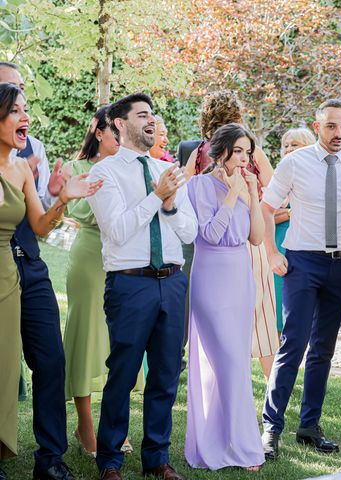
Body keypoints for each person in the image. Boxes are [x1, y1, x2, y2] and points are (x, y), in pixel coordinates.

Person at [87, 93, 197, 480]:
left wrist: (169, 205)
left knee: (166, 374)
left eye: (154, 115)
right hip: (130, 285)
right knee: (123, 372)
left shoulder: (166, 169)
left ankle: (157, 458)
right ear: (119, 123)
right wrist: (157, 196)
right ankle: (111, 461)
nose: (152, 120)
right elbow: (117, 230)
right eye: (143, 115)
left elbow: (189, 230)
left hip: (172, 282)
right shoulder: (103, 173)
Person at [0, 82, 102, 480]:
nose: (26, 118)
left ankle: (50, 458)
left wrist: (62, 198)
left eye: (27, 110)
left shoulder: (23, 166)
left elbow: (42, 226)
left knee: (51, 360)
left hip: (30, 269)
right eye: (16, 111)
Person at [261, 99, 341, 459]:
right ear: (318, 127)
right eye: (331, 126)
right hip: (302, 263)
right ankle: (271, 428)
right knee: (293, 344)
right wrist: (273, 252)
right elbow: (266, 208)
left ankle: (308, 425)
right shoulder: (294, 162)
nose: (338, 133)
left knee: (323, 350)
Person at [184, 123, 265, 471]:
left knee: (234, 365)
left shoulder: (248, 184)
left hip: (240, 278)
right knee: (226, 362)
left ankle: (229, 439)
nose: (245, 159)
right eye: (239, 152)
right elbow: (212, 235)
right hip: (210, 277)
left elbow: (257, 238)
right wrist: (232, 193)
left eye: (248, 152)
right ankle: (242, 446)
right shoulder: (199, 186)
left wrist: (252, 195)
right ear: (221, 154)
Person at [61, 107, 141, 458]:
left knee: (117, 343)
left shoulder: (133, 166)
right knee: (86, 337)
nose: (121, 138)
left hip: (124, 260)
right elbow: (74, 211)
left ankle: (114, 423)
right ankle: (85, 425)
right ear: (99, 132)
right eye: (116, 131)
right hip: (91, 258)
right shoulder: (76, 169)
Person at [183, 90, 279, 378]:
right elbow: (275, 191)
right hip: (247, 237)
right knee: (261, 314)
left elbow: (185, 196)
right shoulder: (249, 150)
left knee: (217, 316)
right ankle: (271, 386)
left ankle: (216, 379)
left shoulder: (198, 153)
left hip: (209, 250)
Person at [273, 127, 316, 332]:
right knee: (280, 297)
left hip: (307, 244)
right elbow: (268, 214)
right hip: (279, 243)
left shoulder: (316, 175)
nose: (289, 149)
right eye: (286, 145)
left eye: (294, 145)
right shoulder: (279, 175)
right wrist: (292, 212)